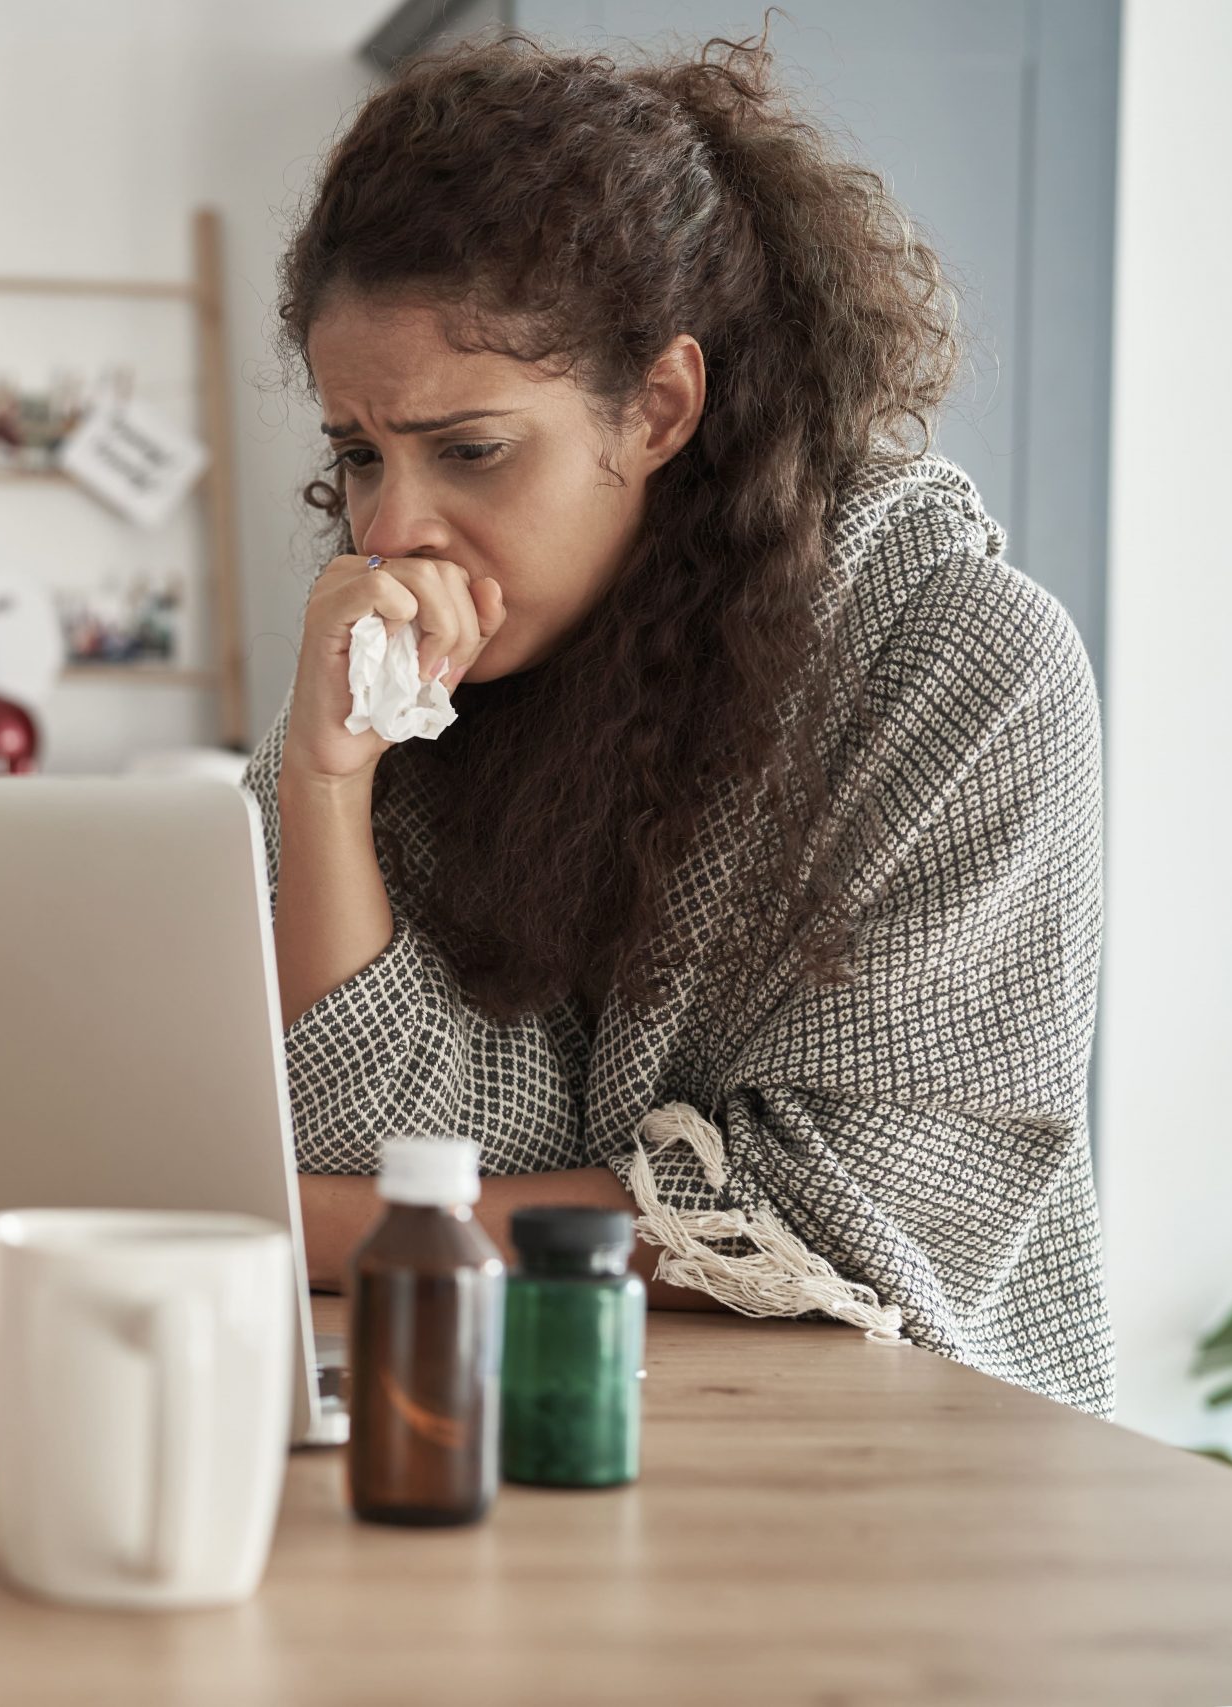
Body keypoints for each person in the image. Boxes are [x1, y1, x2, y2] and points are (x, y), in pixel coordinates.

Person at [253, 33, 1110, 1412]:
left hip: (893, 1472)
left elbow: (844, 1221)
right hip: (537, 1400)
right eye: (360, 453)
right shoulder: (411, 676)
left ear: (658, 406)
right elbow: (381, 1132)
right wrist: (321, 783)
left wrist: (314, 1226)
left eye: (469, 450)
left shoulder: (961, 666)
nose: (390, 528)